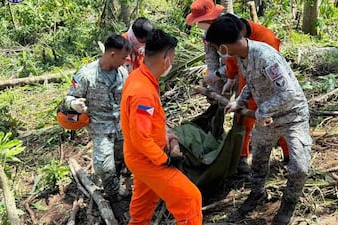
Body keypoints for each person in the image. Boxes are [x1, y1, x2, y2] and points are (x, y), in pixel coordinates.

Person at [205, 17, 312, 225]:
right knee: (259, 159)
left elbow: (289, 93)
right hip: (267, 119)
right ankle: (257, 194)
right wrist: (239, 101)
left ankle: (288, 204)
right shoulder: (241, 55)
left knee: (299, 167)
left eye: (218, 48)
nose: (219, 52)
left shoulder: (265, 56)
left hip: (292, 116)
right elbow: (251, 83)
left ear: (224, 46)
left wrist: (262, 110)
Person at [186, 0, 289, 173]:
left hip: (267, 80)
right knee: (243, 114)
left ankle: (289, 155)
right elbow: (225, 59)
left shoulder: (263, 39)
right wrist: (226, 80)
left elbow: (279, 83)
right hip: (243, 75)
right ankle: (241, 156)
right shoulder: (215, 35)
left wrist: (223, 75)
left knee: (277, 116)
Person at [121, 29, 203, 225]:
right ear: (166, 57)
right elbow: (141, 137)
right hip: (147, 159)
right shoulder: (143, 92)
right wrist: (164, 160)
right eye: (172, 58)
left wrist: (165, 134)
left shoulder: (139, 77)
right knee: (190, 198)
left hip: (139, 155)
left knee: (143, 204)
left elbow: (146, 123)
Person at [64, 34, 131, 223]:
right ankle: (114, 197)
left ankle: (116, 184)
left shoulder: (122, 73)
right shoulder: (86, 74)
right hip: (100, 127)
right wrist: (75, 104)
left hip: (121, 126)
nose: (125, 61)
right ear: (111, 54)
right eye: (122, 57)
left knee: (120, 159)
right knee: (104, 165)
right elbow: (68, 98)